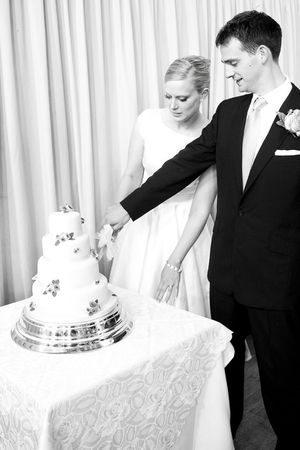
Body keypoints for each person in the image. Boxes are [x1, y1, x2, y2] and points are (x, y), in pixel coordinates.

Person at [105, 10, 300, 448]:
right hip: (226, 272)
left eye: (233, 63)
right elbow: (183, 166)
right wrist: (127, 209)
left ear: (262, 54)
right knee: (221, 375)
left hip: (278, 278)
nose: (228, 74)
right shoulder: (229, 114)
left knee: (283, 381)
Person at [109, 55, 216, 316]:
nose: (173, 106)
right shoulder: (147, 120)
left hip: (187, 228)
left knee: (179, 308)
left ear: (203, 94)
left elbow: (202, 208)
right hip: (143, 220)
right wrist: (116, 218)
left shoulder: (212, 135)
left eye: (182, 98)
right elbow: (132, 174)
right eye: (168, 97)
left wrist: (175, 261)